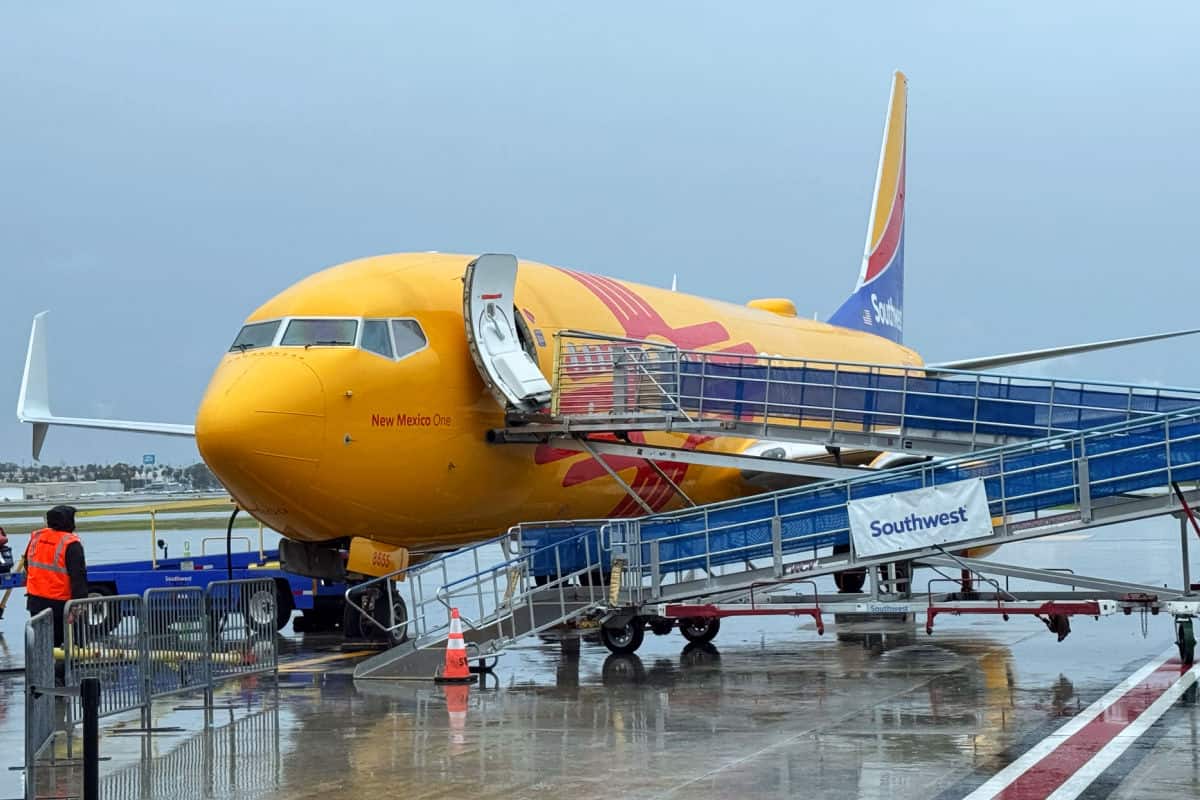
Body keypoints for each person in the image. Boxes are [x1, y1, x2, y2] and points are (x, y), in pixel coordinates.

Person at [24, 506, 88, 647]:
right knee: (66, 648)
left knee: (41, 646)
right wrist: (77, 608)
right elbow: (79, 579)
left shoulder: (37, 537)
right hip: (60, 605)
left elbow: (27, 564)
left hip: (35, 601)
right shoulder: (70, 543)